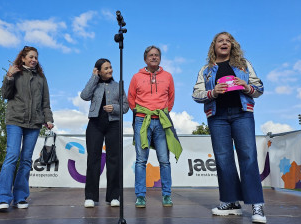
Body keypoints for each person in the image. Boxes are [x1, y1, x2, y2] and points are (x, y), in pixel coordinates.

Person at [192, 32, 266, 223]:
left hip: (242, 114)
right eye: (220, 40)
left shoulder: (243, 64)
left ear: (232, 45)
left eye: (228, 40)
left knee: (248, 157)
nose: (224, 43)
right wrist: (212, 92)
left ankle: (257, 204)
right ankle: (231, 202)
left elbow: (259, 88)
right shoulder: (206, 70)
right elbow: (196, 94)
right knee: (223, 159)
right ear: (214, 46)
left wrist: (245, 86)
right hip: (217, 117)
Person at [0, 46, 54, 211]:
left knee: (26, 160)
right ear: (23, 58)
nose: (34, 59)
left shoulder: (41, 78)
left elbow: (45, 102)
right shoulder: (15, 73)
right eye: (31, 57)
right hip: (15, 120)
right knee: (12, 156)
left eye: (36, 57)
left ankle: (20, 197)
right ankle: (1, 198)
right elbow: (5, 95)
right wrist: (9, 77)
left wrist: (48, 118)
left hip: (34, 123)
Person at [128, 46, 182, 208]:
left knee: (164, 160)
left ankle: (166, 195)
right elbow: (131, 99)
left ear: (160, 58)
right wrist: (141, 112)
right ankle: (140, 196)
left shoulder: (168, 76)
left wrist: (162, 113)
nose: (154, 57)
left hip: (161, 121)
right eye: (151, 55)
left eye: (156, 55)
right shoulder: (136, 77)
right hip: (142, 120)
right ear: (145, 59)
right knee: (140, 160)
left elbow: (171, 99)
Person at [80, 58, 129, 208]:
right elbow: (84, 95)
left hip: (113, 125)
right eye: (106, 68)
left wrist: (114, 107)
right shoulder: (94, 84)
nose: (110, 70)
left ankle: (114, 196)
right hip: (95, 124)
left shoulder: (118, 85)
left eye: (110, 67)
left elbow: (126, 106)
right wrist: (94, 77)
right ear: (99, 71)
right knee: (93, 159)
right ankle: (90, 197)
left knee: (114, 160)